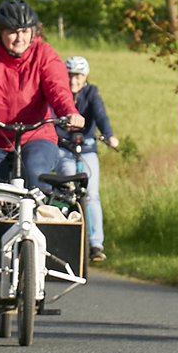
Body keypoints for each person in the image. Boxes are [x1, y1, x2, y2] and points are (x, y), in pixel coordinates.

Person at [0, 0, 83, 188]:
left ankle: (42, 215)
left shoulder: (44, 54)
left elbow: (58, 88)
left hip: (35, 136)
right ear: (0, 32)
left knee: (37, 176)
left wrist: (69, 112)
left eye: (25, 31)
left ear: (33, 32)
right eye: (12, 31)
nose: (19, 38)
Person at [57, 55, 119, 263]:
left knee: (92, 194)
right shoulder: (58, 94)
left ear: (85, 77)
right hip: (63, 148)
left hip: (87, 147)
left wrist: (109, 135)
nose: (73, 81)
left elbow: (100, 114)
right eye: (70, 76)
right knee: (66, 186)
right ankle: (65, 239)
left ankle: (95, 244)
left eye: (78, 76)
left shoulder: (91, 93)